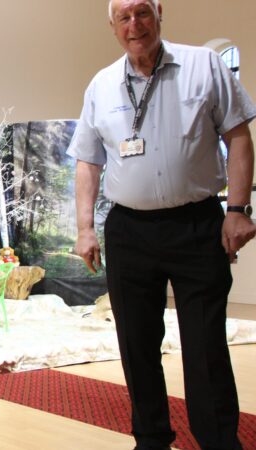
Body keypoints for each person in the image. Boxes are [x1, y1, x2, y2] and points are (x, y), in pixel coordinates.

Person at [67, 1, 256, 449]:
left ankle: (218, 442)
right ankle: (151, 440)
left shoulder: (204, 65)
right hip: (129, 231)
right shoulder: (101, 85)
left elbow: (239, 137)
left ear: (159, 13)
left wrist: (238, 209)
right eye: (124, 17)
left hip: (196, 225)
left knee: (205, 344)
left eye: (143, 13)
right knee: (136, 343)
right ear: (112, 27)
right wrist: (84, 228)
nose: (135, 25)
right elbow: (88, 162)